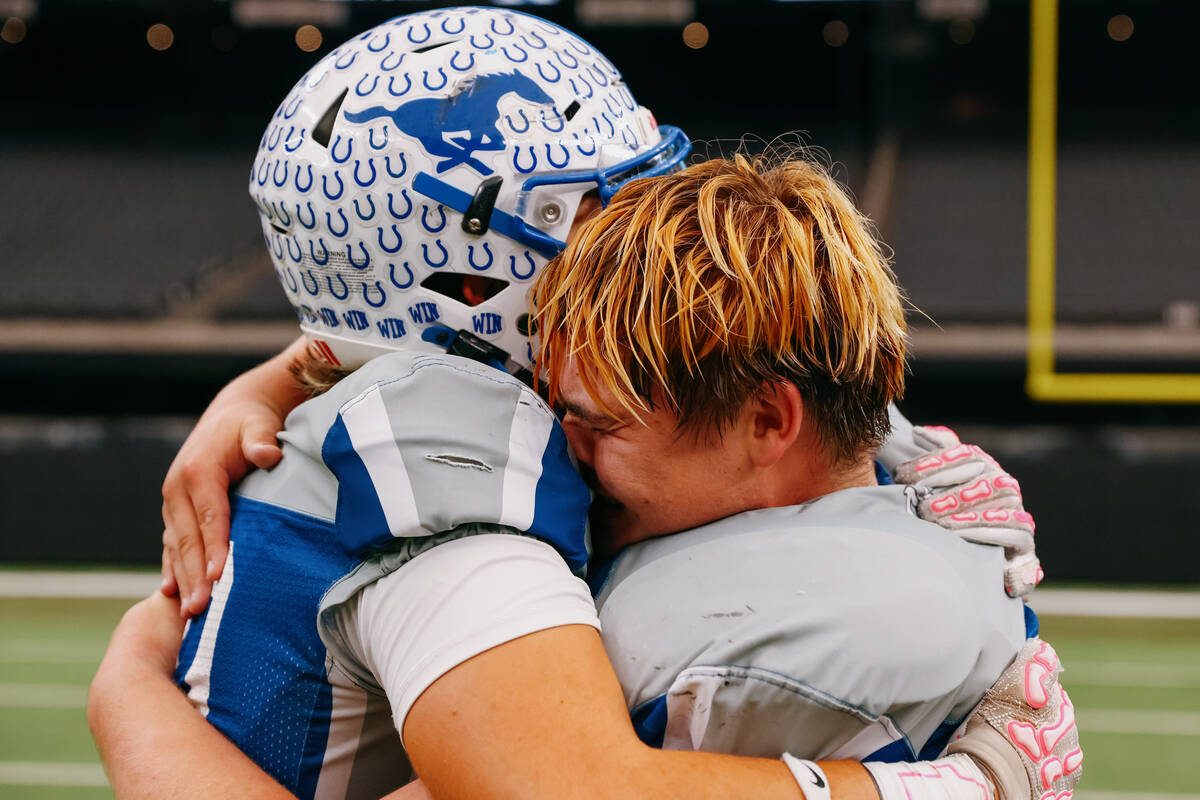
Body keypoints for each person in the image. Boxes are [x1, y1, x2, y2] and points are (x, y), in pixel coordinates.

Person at [90, 8, 1077, 800]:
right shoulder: (459, 475)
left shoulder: (433, 383)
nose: (652, 211)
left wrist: (898, 458)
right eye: (597, 202)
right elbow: (563, 784)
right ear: (476, 259)